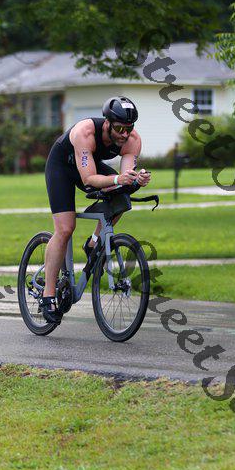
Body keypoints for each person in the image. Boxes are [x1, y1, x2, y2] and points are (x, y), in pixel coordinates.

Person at [40, 95, 151, 323]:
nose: (124, 134)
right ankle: (48, 295)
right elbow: (89, 179)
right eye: (119, 128)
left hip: (89, 167)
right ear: (107, 123)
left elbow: (125, 179)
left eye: (129, 128)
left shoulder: (132, 140)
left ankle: (93, 244)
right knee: (65, 228)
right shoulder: (85, 132)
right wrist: (118, 179)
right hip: (62, 167)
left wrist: (136, 180)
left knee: (122, 197)